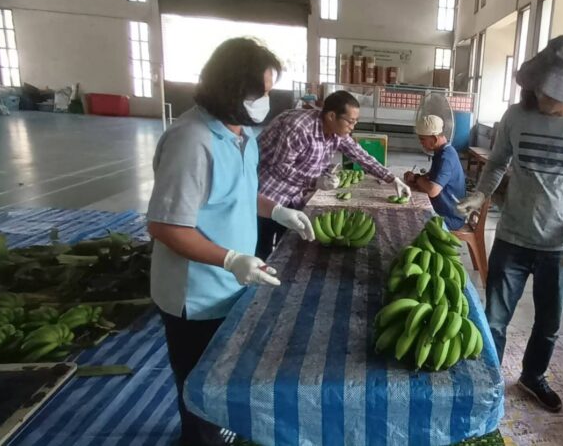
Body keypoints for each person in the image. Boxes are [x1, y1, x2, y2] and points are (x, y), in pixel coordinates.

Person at [146, 38, 313, 446]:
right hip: (195, 295)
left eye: (268, 91)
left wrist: (276, 211)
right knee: (198, 389)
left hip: (230, 286)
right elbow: (166, 225)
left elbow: (237, 193)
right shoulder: (191, 141)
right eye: (259, 92)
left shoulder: (242, 136)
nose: (265, 102)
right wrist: (231, 258)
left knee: (223, 379)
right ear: (229, 88)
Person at [456, 35, 563, 413]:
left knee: (548, 324)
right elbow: (497, 162)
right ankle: (488, 378)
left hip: (560, 248)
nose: (542, 98)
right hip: (512, 238)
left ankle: (533, 376)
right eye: (538, 90)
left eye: (551, 93)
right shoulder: (516, 116)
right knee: (494, 319)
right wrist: (481, 194)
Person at [255, 90, 412, 259]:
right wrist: (315, 181)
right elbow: (281, 167)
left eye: (356, 121)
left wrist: (392, 178)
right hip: (268, 193)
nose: (353, 127)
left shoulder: (337, 132)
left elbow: (360, 155)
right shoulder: (299, 127)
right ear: (331, 116)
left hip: (294, 194)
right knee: (262, 246)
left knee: (285, 244)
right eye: (350, 121)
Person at [404, 115, 466, 230]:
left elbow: (433, 191)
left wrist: (417, 179)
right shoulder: (443, 152)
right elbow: (432, 178)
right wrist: (416, 178)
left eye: (422, 139)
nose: (421, 143)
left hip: (450, 217)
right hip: (444, 209)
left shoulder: (446, 158)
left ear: (434, 138)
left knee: (407, 220)